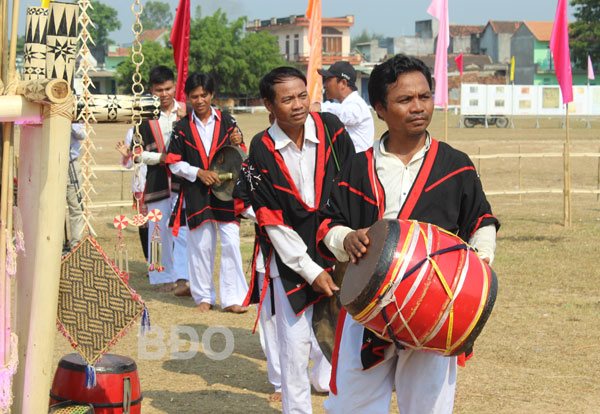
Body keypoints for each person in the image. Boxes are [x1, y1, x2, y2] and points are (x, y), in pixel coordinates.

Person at [317, 54, 500, 414]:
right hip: (366, 310)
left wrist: (476, 270)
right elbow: (326, 224)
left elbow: (482, 221)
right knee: (352, 407)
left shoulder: (456, 166)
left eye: (425, 97)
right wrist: (346, 238)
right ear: (380, 108)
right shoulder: (357, 166)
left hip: (433, 309)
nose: (418, 107)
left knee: (428, 409)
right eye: (405, 100)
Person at [235, 66, 355, 413]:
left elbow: (352, 186)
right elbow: (271, 220)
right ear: (268, 105)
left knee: (345, 342)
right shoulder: (261, 149)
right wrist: (308, 270)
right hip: (290, 262)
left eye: (303, 95)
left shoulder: (332, 130)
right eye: (287, 99)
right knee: (295, 346)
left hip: (339, 249)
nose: (298, 104)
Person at [166, 72, 249, 313]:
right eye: (194, 96)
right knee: (200, 245)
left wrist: (239, 139)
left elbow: (239, 152)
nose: (200, 100)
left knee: (232, 242)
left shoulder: (228, 121)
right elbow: (173, 163)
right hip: (196, 192)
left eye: (204, 95)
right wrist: (198, 172)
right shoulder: (181, 128)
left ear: (212, 95)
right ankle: (204, 296)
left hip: (227, 191)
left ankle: (233, 298)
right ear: (188, 98)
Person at [116, 65, 190, 294]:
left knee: (183, 230)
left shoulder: (186, 112)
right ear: (151, 90)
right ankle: (161, 278)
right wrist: (162, 157)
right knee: (157, 231)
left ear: (174, 86)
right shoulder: (143, 117)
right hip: (157, 181)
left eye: (168, 88)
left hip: (183, 180)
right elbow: (136, 153)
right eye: (159, 90)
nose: (164, 94)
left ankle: (183, 278)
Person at [309, 61, 375, 152]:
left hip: (357, 164)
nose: (325, 85)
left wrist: (320, 107)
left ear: (343, 83)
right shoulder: (348, 104)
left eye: (328, 80)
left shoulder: (357, 105)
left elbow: (344, 114)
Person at [65, 123, 86, 251]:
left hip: (70, 164)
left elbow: (82, 134)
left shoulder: (75, 112)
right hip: (49, 164)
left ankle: (76, 247)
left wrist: (69, 121)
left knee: (76, 207)